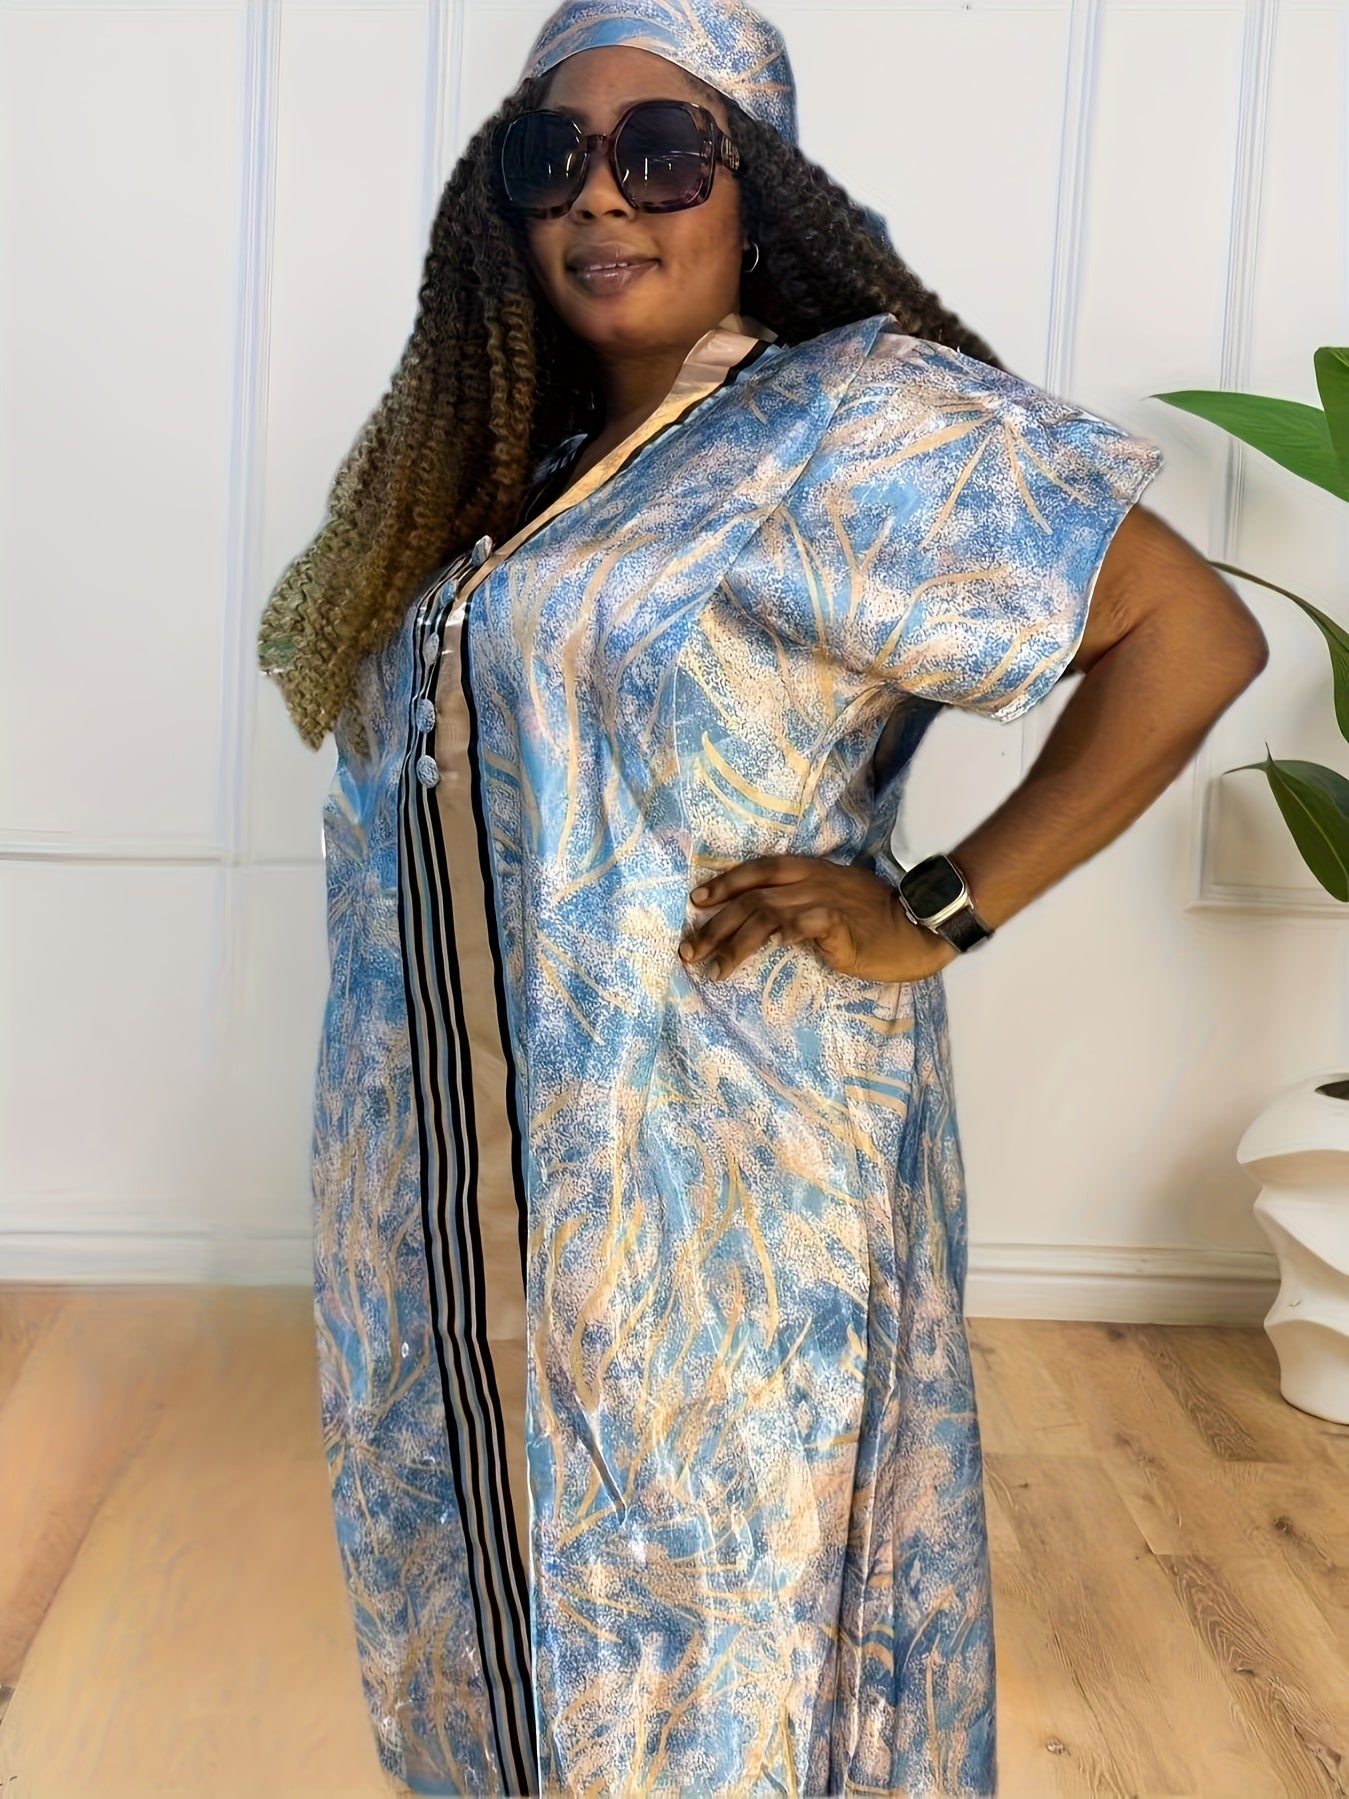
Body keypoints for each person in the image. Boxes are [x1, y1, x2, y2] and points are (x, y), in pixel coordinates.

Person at [257, 2, 1268, 1792]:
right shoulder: (514, 466)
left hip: (711, 1173)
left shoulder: (847, 422)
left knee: (714, 1598)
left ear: (759, 193)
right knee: (479, 1582)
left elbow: (1186, 634)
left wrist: (934, 906)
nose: (603, 196)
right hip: (444, 1168)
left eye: (664, 153)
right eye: (553, 157)